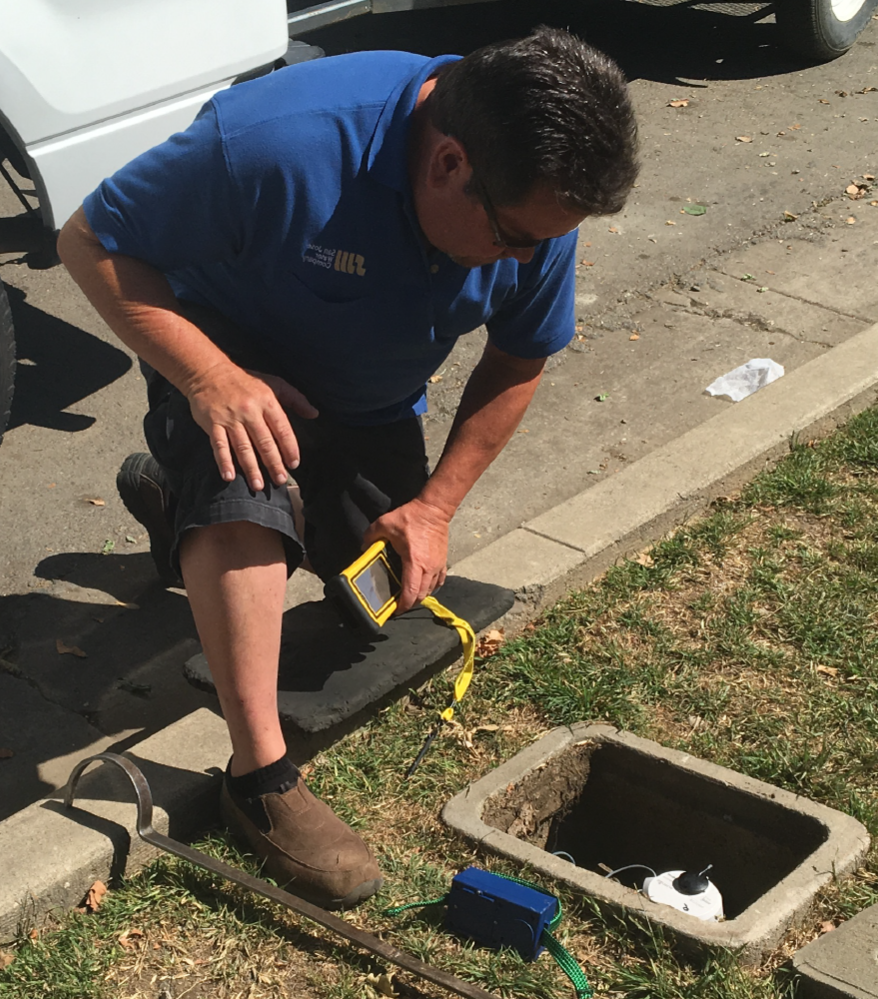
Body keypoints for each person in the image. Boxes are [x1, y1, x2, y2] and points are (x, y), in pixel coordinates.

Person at [58, 27, 639, 909]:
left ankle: (173, 499)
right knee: (249, 490)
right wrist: (212, 379)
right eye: (516, 237)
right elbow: (90, 240)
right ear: (448, 163)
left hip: (368, 402)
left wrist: (434, 508)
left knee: (373, 580)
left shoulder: (535, 201)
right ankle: (258, 780)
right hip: (225, 358)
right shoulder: (277, 143)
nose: (529, 259)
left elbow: (518, 360)